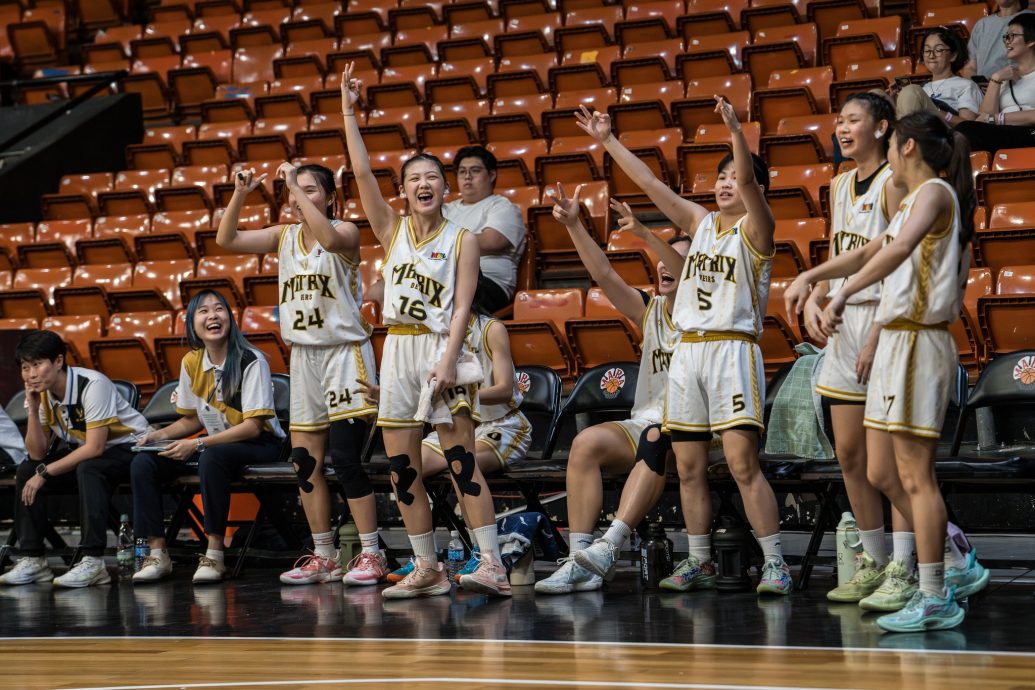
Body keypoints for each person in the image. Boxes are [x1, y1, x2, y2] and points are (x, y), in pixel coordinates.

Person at [573, 98, 792, 595]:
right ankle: (699, 560)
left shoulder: (757, 229)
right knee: (689, 467)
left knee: (741, 463)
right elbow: (653, 186)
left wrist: (737, 131)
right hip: (689, 354)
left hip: (732, 351)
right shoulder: (701, 223)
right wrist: (608, 141)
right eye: (720, 175)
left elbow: (753, 186)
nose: (725, 182)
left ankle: (775, 562)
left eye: (735, 175)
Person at [789, 112, 990, 632]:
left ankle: (935, 593)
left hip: (919, 341)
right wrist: (813, 275)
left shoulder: (936, 193)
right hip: (896, 342)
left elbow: (897, 251)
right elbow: (873, 248)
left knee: (914, 476)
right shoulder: (908, 204)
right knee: (880, 474)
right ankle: (953, 553)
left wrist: (844, 293)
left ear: (905, 148)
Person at [341, 62, 510, 599]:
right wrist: (349, 111)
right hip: (398, 347)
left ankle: (491, 564)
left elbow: (463, 307)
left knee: (460, 460)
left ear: (444, 189)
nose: (425, 183)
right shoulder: (391, 233)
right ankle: (427, 567)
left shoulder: (462, 239)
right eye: (414, 177)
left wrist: (447, 361)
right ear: (404, 190)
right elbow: (363, 174)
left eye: (433, 177)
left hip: (443, 348)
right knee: (401, 468)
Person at [215, 161, 385, 587]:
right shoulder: (283, 236)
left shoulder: (346, 232)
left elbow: (326, 236)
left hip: (345, 354)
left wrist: (291, 179)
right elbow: (226, 239)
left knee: (345, 458)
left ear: (329, 197)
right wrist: (240, 193)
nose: (297, 197)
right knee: (304, 462)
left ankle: (371, 552)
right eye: (294, 191)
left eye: (310, 190)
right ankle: (324, 554)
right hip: (304, 357)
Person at [792, 93, 921, 609]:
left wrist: (876, 331)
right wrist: (815, 298)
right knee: (850, 455)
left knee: (890, 465)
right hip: (843, 316)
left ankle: (908, 563)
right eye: (838, 121)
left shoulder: (895, 184)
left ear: (882, 126)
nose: (842, 129)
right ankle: (872, 560)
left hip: (881, 319)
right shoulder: (839, 183)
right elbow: (838, 249)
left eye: (853, 120)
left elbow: (896, 261)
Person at [546, 188, 695, 589]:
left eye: (672, 256)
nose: (662, 264)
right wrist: (575, 225)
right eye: (659, 257)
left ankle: (609, 545)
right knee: (585, 444)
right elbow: (604, 274)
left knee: (656, 435)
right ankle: (580, 561)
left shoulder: (709, 317)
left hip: (698, 428)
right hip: (648, 422)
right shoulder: (649, 310)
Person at [129, 290, 286, 584]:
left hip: (260, 444)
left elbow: (253, 427)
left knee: (211, 458)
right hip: (217, 443)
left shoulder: (252, 360)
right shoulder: (191, 361)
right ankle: (157, 553)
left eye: (219, 309)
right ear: (192, 324)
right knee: (144, 464)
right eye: (203, 311)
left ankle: (214, 554)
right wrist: (157, 435)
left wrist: (198, 443)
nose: (213, 315)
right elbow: (192, 419)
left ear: (230, 318)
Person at [384, 296, 532, 584]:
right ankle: (425, 558)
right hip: (455, 423)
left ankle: (483, 556)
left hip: (501, 422)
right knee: (403, 473)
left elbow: (503, 389)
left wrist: (458, 392)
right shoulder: (431, 334)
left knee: (461, 467)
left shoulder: (491, 329)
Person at [0, 330, 149, 588]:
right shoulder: (42, 393)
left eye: (37, 364)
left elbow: (95, 447)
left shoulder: (92, 385)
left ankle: (93, 561)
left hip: (133, 448)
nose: (31, 374)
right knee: (26, 470)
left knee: (88, 468)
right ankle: (34, 560)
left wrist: (45, 473)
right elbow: (37, 454)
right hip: (90, 453)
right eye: (26, 367)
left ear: (58, 361)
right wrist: (33, 411)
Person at [442, 145, 528, 314]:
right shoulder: (444, 210)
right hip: (443, 275)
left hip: (488, 282)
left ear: (492, 175)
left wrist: (440, 241)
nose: (467, 177)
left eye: (475, 170)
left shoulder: (502, 206)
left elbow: (492, 240)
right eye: (462, 171)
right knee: (381, 290)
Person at [956, 13, 1035, 153]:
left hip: (1030, 133)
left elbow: (989, 118)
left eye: (1013, 35)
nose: (1007, 41)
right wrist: (996, 79)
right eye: (1006, 37)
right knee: (961, 133)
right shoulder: (1005, 76)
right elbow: (982, 118)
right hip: (1006, 133)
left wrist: (996, 118)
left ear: (1031, 41)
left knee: (965, 130)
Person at [896, 29, 984, 124]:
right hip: (916, 129)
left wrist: (936, 112)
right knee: (880, 95)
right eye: (927, 50)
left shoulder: (966, 86)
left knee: (911, 90)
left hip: (942, 134)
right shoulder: (923, 88)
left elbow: (968, 126)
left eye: (938, 50)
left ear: (953, 55)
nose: (931, 55)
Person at [963, 0, 1032, 79]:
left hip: (1017, 86)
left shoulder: (1031, 20)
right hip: (983, 88)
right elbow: (970, 67)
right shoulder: (981, 24)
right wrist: (976, 87)